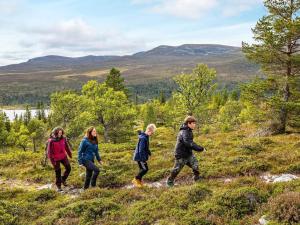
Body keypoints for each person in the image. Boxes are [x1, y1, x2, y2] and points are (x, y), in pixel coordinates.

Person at [166, 116, 206, 187]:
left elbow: (190, 143)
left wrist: (199, 148)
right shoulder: (184, 132)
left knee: (195, 165)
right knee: (177, 169)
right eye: (193, 123)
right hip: (181, 154)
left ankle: (196, 178)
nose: (195, 125)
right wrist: (201, 149)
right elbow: (188, 143)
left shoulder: (188, 130)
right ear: (188, 123)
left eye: (194, 123)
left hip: (188, 154)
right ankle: (169, 181)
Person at [47, 127, 72, 191]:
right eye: (59, 133)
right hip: (55, 158)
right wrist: (52, 161)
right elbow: (49, 152)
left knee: (68, 168)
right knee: (58, 172)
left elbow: (66, 147)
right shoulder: (51, 141)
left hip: (63, 156)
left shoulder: (63, 138)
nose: (60, 134)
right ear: (56, 133)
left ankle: (63, 179)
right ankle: (59, 186)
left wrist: (70, 154)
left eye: (61, 133)